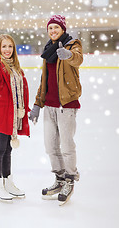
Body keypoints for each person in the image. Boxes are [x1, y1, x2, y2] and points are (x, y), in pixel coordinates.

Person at [29, 15, 83, 204]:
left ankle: (70, 180)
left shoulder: (72, 45)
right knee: (50, 146)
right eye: (50, 28)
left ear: (62, 29)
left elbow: (78, 58)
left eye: (56, 27)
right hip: (49, 106)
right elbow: (45, 81)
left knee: (67, 146)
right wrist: (37, 104)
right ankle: (59, 179)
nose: (53, 31)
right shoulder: (47, 51)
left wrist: (69, 56)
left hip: (66, 105)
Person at [0, 34, 30, 201]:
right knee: (0, 148)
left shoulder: (16, 68)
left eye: (10, 46)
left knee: (8, 150)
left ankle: (7, 182)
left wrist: (25, 110)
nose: (7, 50)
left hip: (12, 114)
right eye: (4, 46)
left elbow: (20, 91)